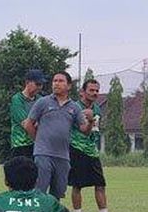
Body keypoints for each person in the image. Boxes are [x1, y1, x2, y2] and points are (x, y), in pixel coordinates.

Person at [22, 71, 94, 200]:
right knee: (40, 190)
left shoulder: (75, 107)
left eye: (61, 81)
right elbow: (28, 124)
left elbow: (85, 130)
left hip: (63, 156)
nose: (56, 84)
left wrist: (91, 121)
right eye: (55, 81)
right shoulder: (42, 102)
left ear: (69, 86)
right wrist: (38, 141)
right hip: (43, 154)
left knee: (58, 192)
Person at [68, 79, 123, 212]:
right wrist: (88, 119)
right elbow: (81, 130)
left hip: (92, 151)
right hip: (76, 149)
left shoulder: (97, 109)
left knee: (100, 184)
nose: (95, 93)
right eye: (91, 90)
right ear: (82, 92)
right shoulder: (74, 108)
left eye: (97, 90)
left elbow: (95, 130)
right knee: (77, 185)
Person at [9, 69, 46, 159]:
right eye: (37, 84)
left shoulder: (41, 100)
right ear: (27, 82)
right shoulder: (17, 99)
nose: (39, 87)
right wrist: (38, 140)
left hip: (37, 147)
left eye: (41, 85)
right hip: (20, 145)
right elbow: (26, 124)